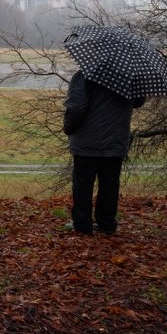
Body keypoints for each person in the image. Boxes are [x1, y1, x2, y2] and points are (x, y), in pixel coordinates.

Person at [63, 70, 145, 235]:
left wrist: (68, 128)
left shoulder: (84, 75)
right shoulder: (129, 75)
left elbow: (76, 107)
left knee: (83, 184)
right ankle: (107, 223)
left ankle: (82, 224)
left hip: (87, 140)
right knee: (110, 184)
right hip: (116, 139)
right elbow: (138, 101)